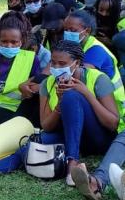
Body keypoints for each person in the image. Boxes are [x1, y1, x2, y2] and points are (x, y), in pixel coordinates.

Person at [39, 41, 122, 186]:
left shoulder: (98, 79)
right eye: (53, 63)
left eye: (62, 63)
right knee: (36, 141)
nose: (56, 68)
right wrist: (59, 103)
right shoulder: (47, 83)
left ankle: (72, 164)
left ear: (76, 63)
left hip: (99, 138)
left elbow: (112, 123)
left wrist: (87, 94)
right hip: (71, 136)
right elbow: (46, 126)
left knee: (72, 95)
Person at [0, 11, 42, 127]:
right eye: (4, 41)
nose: (9, 46)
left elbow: (35, 88)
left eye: (14, 42)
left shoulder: (31, 59)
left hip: (19, 111)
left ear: (21, 41)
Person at [63, 10, 118, 86]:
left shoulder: (96, 50)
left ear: (87, 30)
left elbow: (79, 77)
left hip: (111, 96)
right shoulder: (76, 45)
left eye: (73, 30)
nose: (68, 33)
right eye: (65, 30)